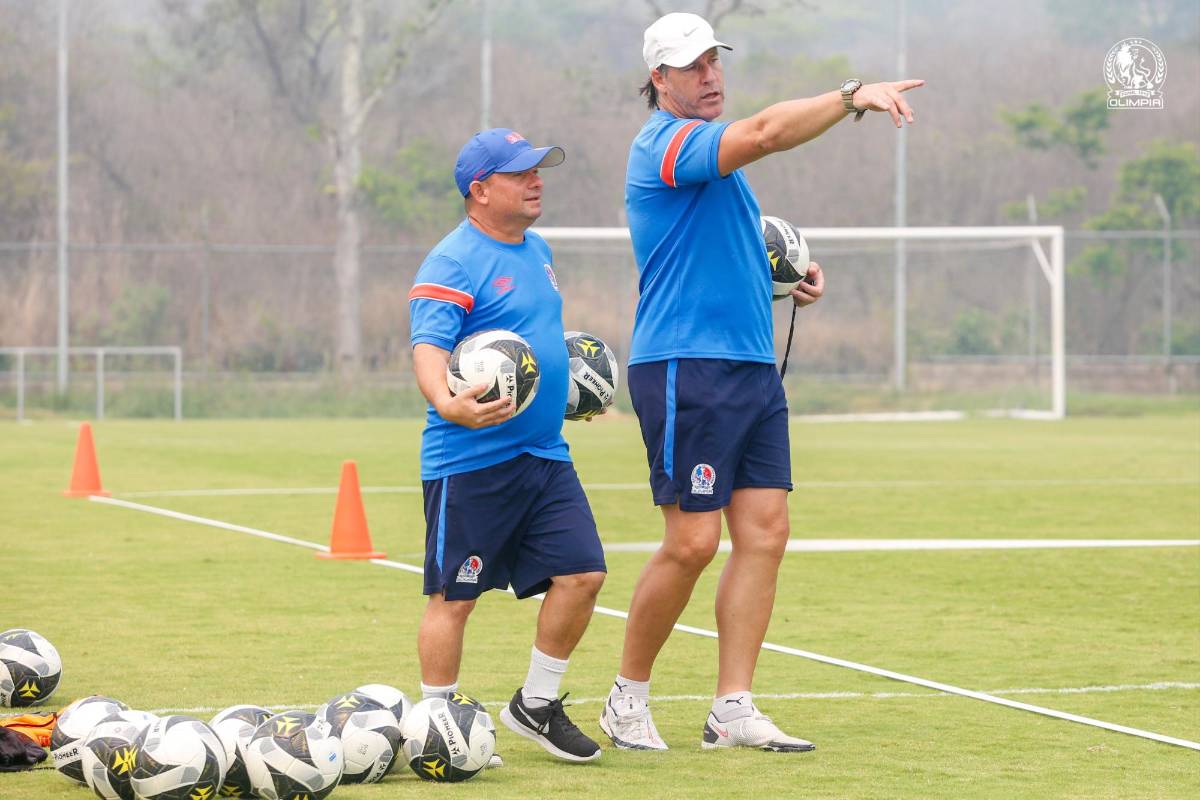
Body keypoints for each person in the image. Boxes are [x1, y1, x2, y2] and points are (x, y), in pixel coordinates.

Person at [599, 12, 924, 753]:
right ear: (660, 80)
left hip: (747, 366)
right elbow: (769, 131)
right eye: (692, 67)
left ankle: (732, 708)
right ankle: (627, 698)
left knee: (765, 535)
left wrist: (787, 281)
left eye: (716, 61)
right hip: (686, 364)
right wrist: (851, 95)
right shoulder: (668, 144)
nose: (710, 76)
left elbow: (720, 252)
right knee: (690, 542)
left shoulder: (723, 175)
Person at [409, 128, 606, 764]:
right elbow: (429, 348)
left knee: (583, 574)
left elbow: (530, 339)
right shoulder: (452, 260)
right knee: (454, 599)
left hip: (545, 457)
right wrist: (446, 401)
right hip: (470, 463)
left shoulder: (538, 247)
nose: (536, 180)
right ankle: (436, 729)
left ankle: (536, 705)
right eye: (521, 173)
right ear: (480, 189)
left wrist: (569, 390)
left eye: (539, 169)